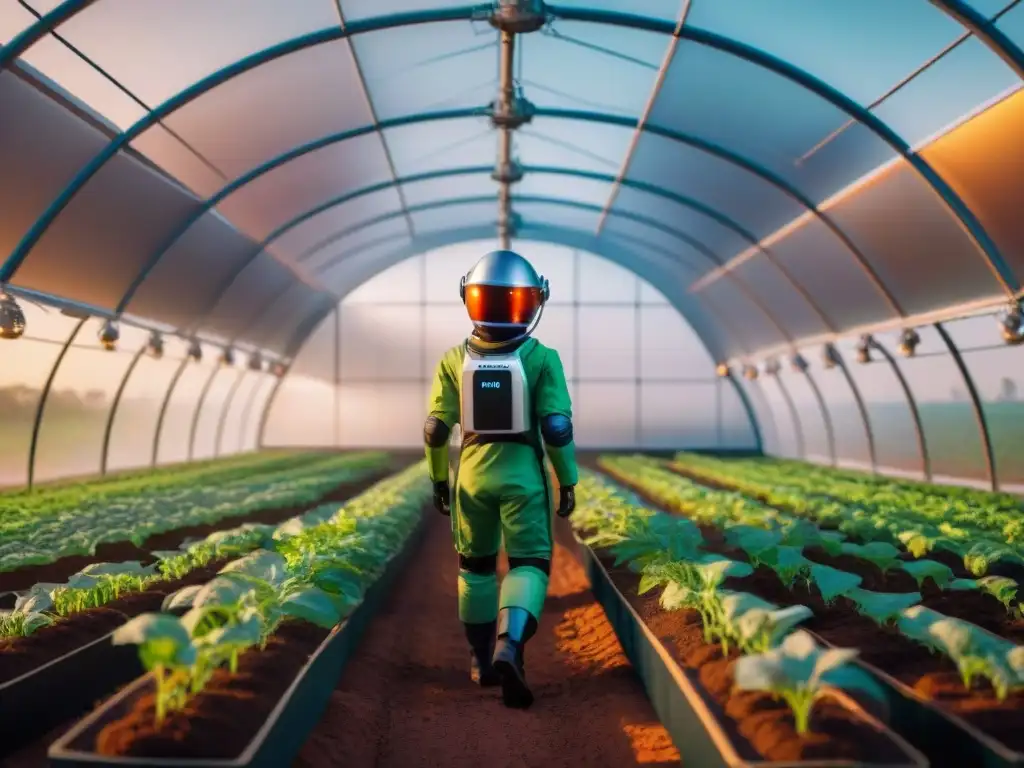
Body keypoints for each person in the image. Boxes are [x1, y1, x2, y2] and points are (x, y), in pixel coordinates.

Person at [423, 249, 578, 709]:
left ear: (468, 298)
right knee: (528, 564)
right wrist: (566, 480)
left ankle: (479, 661)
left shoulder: (454, 359)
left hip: (471, 476)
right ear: (536, 300)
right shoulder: (541, 357)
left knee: (475, 568)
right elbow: (556, 427)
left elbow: (434, 429)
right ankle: (510, 646)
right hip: (523, 477)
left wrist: (439, 481)